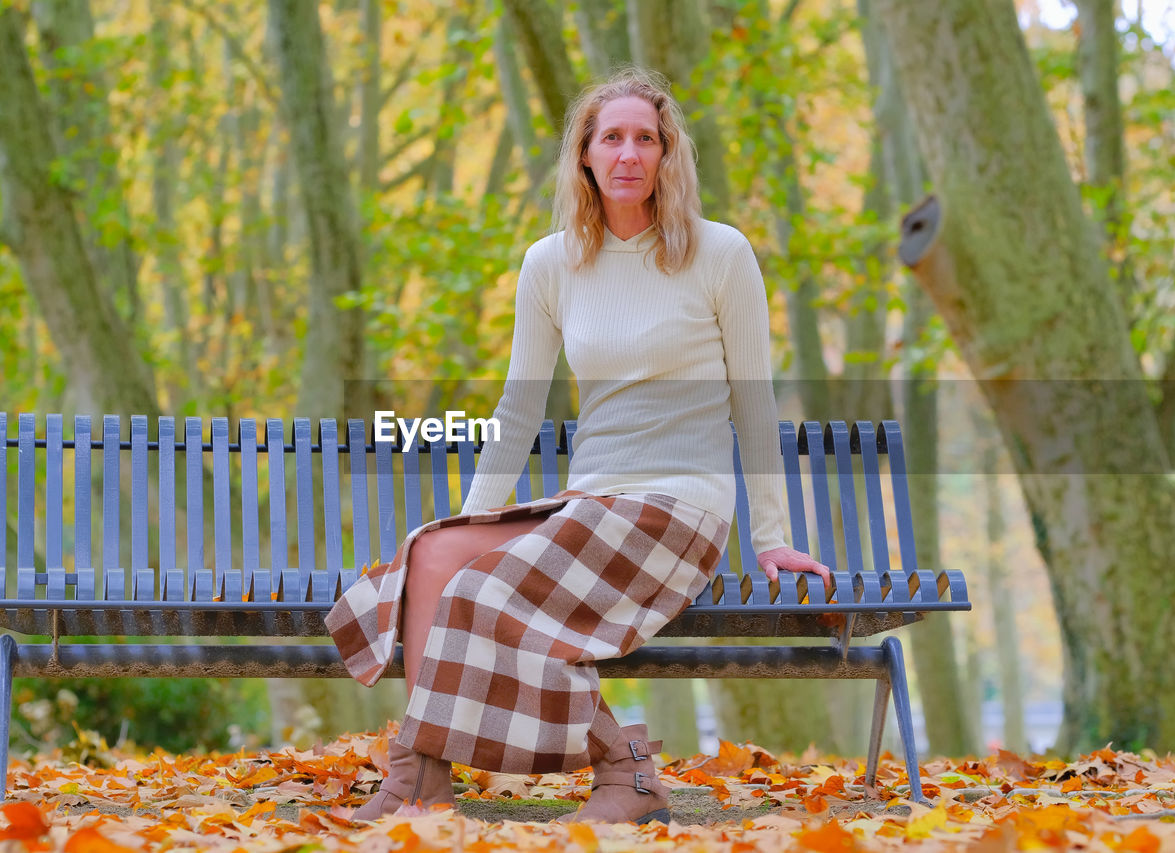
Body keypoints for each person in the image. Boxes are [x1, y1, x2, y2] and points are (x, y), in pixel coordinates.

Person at [324, 67, 829, 825]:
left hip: (678, 506)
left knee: (484, 593)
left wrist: (771, 537)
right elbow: (519, 406)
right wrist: (471, 523)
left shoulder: (720, 254)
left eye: (646, 138)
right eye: (612, 137)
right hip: (592, 500)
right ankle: (422, 777)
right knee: (433, 556)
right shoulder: (551, 263)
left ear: (668, 155)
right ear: (586, 156)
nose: (629, 153)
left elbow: (754, 403)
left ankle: (622, 766)